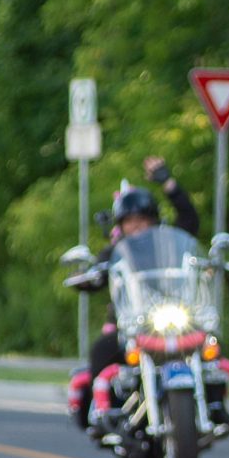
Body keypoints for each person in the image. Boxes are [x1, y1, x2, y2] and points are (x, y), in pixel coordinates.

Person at [71, 156, 200, 428]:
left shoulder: (168, 245)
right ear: (121, 224)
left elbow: (189, 220)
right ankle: (100, 413)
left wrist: (168, 183)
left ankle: (212, 404)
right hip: (130, 325)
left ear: (154, 220)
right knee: (102, 351)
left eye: (143, 218)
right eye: (130, 221)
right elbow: (95, 273)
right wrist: (85, 277)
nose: (137, 225)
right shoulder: (116, 252)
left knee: (211, 349)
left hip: (173, 320)